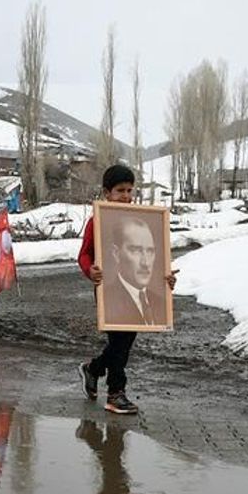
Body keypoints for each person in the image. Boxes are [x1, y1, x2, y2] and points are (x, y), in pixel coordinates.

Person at [77, 165, 177, 414]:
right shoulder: (97, 220)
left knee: (124, 342)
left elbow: (158, 259)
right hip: (107, 289)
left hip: (137, 294)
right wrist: (90, 271)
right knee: (120, 342)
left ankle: (94, 369)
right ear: (106, 192)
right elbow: (84, 254)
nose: (126, 195)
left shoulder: (144, 219)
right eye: (120, 190)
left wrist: (165, 280)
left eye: (130, 190)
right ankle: (115, 393)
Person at [104, 217, 166, 325]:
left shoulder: (160, 303)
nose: (145, 263)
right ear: (116, 254)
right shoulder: (107, 300)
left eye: (150, 251)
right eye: (136, 251)